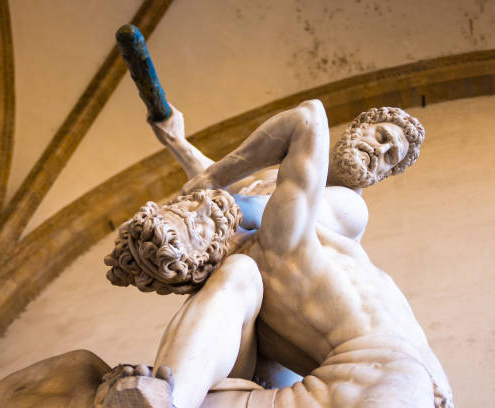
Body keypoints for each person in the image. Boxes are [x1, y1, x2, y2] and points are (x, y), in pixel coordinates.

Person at [102, 100, 454, 407]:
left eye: (391, 156)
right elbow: (234, 183)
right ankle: (170, 394)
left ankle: (170, 394)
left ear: (384, 175)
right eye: (381, 136)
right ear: (356, 130)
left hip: (351, 370)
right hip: (269, 352)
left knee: (239, 265)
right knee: (238, 271)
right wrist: (177, 142)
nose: (381, 151)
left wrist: (198, 200)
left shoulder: (348, 208)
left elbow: (254, 202)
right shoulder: (275, 186)